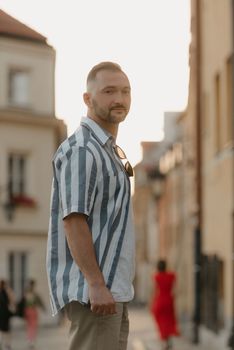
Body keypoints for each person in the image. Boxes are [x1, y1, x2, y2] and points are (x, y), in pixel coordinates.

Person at [46, 61, 135, 350]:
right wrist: (96, 284)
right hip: (96, 294)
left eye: (125, 91)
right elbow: (73, 220)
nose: (119, 99)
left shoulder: (106, 150)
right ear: (88, 98)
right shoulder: (84, 150)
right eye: (109, 91)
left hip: (112, 292)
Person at [150, 260, 179, 350]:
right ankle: (168, 340)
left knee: (161, 321)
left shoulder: (156, 277)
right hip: (169, 301)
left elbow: (153, 291)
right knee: (169, 321)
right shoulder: (171, 276)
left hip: (160, 301)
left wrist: (151, 303)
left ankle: (164, 341)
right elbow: (176, 289)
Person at [22, 279, 45, 348]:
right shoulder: (34, 294)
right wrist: (43, 308)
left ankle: (30, 340)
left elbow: (23, 303)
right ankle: (31, 341)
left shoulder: (26, 293)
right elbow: (40, 302)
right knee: (33, 327)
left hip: (27, 311)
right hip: (33, 311)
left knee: (29, 326)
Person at [0, 279, 15, 350]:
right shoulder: (6, 292)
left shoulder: (5, 292)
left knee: (4, 330)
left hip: (4, 314)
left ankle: (6, 344)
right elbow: (12, 300)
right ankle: (7, 344)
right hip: (5, 314)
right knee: (6, 330)